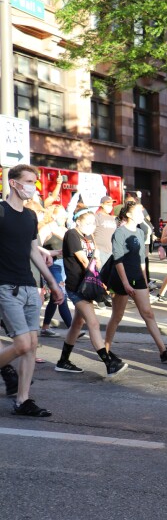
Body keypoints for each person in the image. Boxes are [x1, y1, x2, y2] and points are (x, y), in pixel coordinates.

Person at [0, 164, 64, 417]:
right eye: (28, 181)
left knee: (33, 344)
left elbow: (32, 251)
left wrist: (52, 282)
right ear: (14, 183)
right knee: (23, 344)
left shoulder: (30, 216)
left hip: (29, 287)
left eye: (34, 182)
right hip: (6, 287)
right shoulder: (1, 211)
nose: (32, 186)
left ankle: (23, 400)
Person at [104, 202, 167, 363]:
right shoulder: (120, 233)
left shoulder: (139, 232)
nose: (142, 214)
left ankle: (163, 351)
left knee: (148, 313)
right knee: (117, 316)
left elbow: (141, 259)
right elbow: (118, 260)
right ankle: (105, 350)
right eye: (139, 212)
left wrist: (145, 282)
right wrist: (125, 284)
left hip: (137, 277)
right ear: (129, 215)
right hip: (121, 279)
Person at [56, 209, 128, 377]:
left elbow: (95, 257)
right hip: (77, 287)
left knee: (77, 324)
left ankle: (63, 361)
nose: (91, 226)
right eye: (88, 223)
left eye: (93, 224)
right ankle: (108, 362)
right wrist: (97, 276)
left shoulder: (87, 237)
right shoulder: (72, 234)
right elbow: (82, 259)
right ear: (78, 221)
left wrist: (97, 262)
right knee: (93, 323)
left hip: (85, 286)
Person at [38, 205, 74, 338]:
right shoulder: (46, 229)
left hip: (63, 264)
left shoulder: (65, 229)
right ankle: (72, 328)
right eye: (61, 215)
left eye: (64, 215)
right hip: (52, 264)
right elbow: (37, 247)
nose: (63, 218)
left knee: (55, 296)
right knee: (60, 293)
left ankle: (45, 327)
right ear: (53, 215)